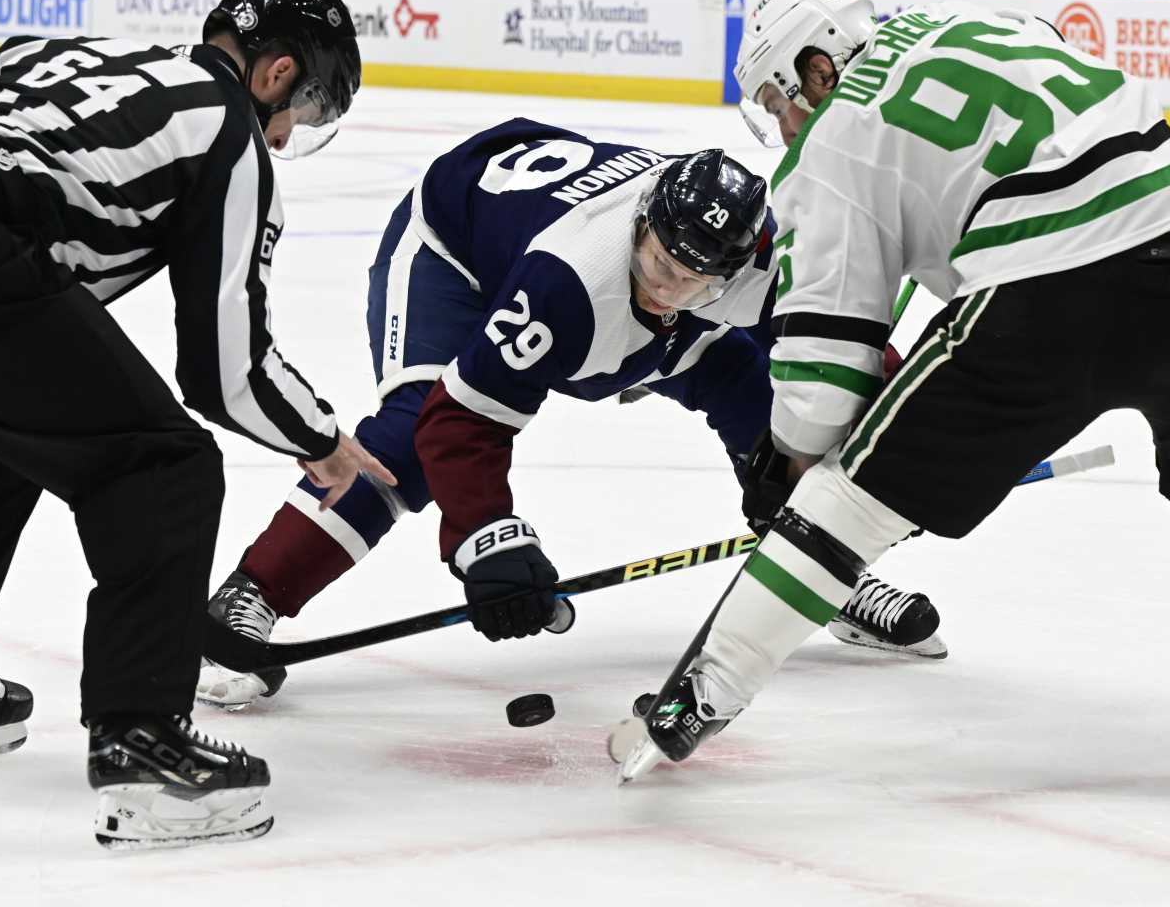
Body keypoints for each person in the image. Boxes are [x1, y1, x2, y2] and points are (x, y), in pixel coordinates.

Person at [613, 0, 1170, 781]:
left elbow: (825, 376)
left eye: (776, 97)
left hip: (1056, 293)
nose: (782, 122)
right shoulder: (988, 22)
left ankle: (698, 698)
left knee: (842, 502)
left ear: (817, 69)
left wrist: (785, 464)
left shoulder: (831, 140)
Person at [197, 121, 946, 710]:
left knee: (761, 396)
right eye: (659, 262)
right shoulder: (571, 279)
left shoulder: (754, 260)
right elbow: (462, 424)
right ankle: (252, 593)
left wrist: (901, 430)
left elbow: (835, 344)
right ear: (642, 221)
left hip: (576, 252)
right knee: (408, 442)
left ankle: (824, 568)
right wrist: (485, 540)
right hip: (456, 248)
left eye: (693, 279)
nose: (667, 289)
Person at [0, 0, 395, 847]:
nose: (284, 134)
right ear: (276, 74)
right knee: (163, 467)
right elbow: (225, 370)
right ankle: (140, 743)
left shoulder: (85, 56)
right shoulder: (227, 133)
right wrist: (323, 440)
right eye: (299, 114)